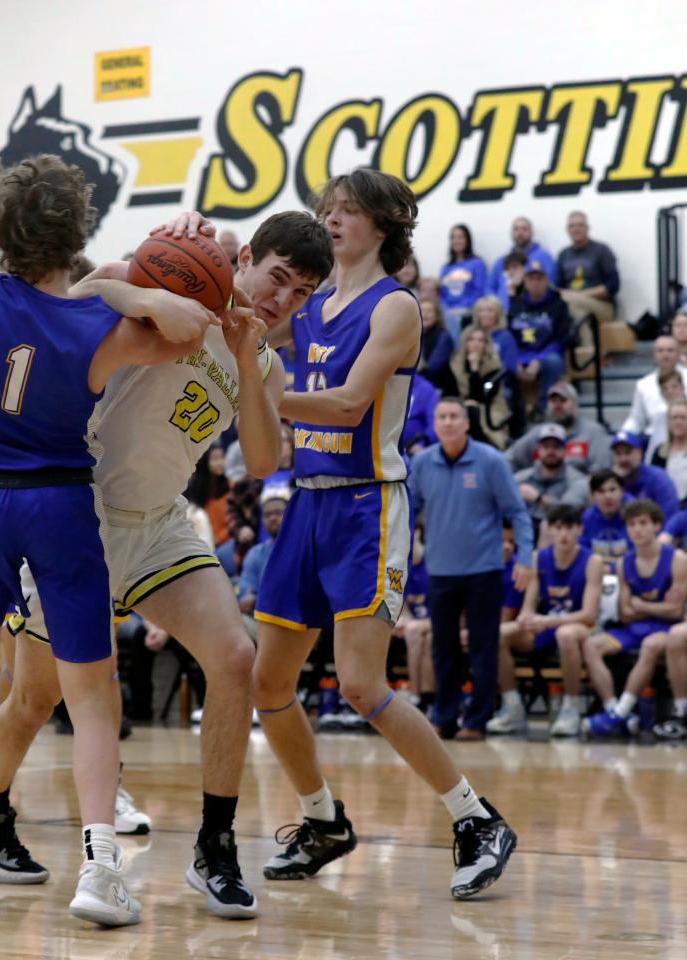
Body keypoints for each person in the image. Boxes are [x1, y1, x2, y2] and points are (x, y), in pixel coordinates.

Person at [0, 208, 331, 923]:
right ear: (247, 257)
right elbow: (77, 296)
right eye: (278, 279)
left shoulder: (263, 358)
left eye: (299, 295)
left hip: (160, 526)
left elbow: (264, 461)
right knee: (35, 697)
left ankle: (215, 848)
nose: (281, 300)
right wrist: (144, 275)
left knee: (234, 657)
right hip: (77, 515)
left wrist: (247, 355)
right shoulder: (173, 291)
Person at [0, 153, 221, 927]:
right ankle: (99, 869)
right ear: (79, 230)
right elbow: (186, 332)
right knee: (90, 693)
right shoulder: (102, 327)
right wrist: (130, 284)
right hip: (59, 503)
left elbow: (20, 285)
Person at [253, 170, 517, 901]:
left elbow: (342, 406)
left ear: (382, 224)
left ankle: (475, 818)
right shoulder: (307, 302)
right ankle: (322, 821)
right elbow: (241, 323)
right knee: (268, 682)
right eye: (327, 210)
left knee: (362, 681)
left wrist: (260, 392)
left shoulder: (395, 305)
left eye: (347, 211)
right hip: (304, 503)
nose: (332, 221)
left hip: (367, 507)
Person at [410, 398, 534, 743]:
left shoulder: (491, 461)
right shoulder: (422, 463)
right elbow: (407, 511)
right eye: (441, 417)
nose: (447, 422)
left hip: (483, 570)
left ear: (467, 423)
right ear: (434, 424)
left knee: (483, 646)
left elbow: (518, 513)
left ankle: (477, 720)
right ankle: (445, 717)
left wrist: (525, 556)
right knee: (443, 648)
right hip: (440, 571)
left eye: (454, 417)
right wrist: (400, 549)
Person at [486, 504, 602, 737]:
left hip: (579, 628)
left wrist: (547, 621)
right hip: (545, 625)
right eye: (558, 528)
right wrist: (527, 618)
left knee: (566, 635)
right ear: (549, 530)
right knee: (496, 634)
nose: (564, 534)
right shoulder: (539, 558)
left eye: (569, 528)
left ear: (579, 530)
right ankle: (513, 708)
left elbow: (589, 616)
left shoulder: (593, 561)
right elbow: (528, 607)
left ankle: (570, 708)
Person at [581, 499, 687, 737]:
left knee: (651, 645)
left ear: (657, 526)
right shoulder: (623, 563)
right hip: (635, 628)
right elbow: (626, 612)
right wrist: (655, 606)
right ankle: (613, 709)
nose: (637, 529)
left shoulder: (677, 559)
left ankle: (619, 712)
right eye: (631, 524)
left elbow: (676, 612)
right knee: (591, 645)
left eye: (643, 523)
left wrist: (641, 604)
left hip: (666, 629)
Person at [505, 381, 612, 475]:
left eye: (563, 400)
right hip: (538, 491)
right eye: (553, 401)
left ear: (576, 404)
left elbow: (601, 474)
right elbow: (508, 459)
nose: (557, 405)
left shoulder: (593, 432)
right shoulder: (537, 432)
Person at [508, 261, 572, 414]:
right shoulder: (516, 304)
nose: (535, 283)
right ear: (525, 282)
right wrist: (516, 360)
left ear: (546, 281)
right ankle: (514, 414)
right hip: (520, 354)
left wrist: (539, 360)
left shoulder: (558, 305)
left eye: (539, 279)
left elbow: (561, 338)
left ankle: (545, 409)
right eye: (531, 279)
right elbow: (509, 336)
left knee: (553, 362)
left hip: (547, 353)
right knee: (503, 362)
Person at [392, 521, 434, 714]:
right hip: (417, 626)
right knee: (412, 632)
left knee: (416, 631)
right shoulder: (400, 565)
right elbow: (404, 609)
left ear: (417, 532)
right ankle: (421, 698)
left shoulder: (434, 560)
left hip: (443, 620)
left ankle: (417, 696)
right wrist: (404, 619)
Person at [238, 485, 291, 640]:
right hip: (266, 625)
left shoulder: (308, 548)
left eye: (277, 512)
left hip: (307, 624)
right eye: (267, 514)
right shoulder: (256, 554)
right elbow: (246, 599)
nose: (272, 518)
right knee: (232, 623)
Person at [514, 424, 589, 527]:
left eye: (556, 446)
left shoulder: (577, 479)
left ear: (565, 450)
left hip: (559, 531)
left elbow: (568, 512)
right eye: (546, 446)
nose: (550, 451)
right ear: (538, 450)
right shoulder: (522, 477)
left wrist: (539, 498)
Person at [449, 325, 509, 448]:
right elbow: (450, 392)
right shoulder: (454, 364)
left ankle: (484, 448)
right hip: (460, 404)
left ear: (486, 344)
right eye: (471, 339)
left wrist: (474, 368)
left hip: (490, 407)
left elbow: (482, 396)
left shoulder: (494, 366)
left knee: (472, 411)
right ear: (465, 342)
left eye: (480, 340)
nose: (476, 343)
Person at [555, 211, 620, 325]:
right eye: (572, 226)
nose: (576, 229)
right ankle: (587, 343)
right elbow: (558, 286)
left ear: (587, 228)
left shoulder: (601, 250)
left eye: (580, 225)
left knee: (573, 303)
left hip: (601, 305)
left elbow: (613, 285)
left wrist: (579, 295)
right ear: (567, 230)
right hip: (573, 304)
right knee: (576, 312)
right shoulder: (563, 254)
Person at [622, 335, 687, 439]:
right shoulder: (643, 384)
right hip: (653, 438)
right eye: (660, 351)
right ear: (654, 354)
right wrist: (623, 435)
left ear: (679, 353)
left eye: (670, 350)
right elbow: (636, 419)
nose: (665, 355)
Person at [487, 217, 556, 311]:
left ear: (532, 232)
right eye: (516, 229)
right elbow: (490, 287)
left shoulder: (544, 257)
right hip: (502, 313)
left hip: (532, 311)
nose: (520, 233)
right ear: (511, 233)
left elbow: (551, 285)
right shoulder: (501, 261)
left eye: (524, 229)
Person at [611, 430, 679, 521]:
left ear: (640, 453)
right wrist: (617, 484)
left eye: (628, 452)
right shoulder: (610, 482)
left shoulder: (658, 478)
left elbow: (670, 517)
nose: (623, 459)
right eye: (618, 454)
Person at [438, 224, 486, 344]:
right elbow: (440, 294)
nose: (456, 241)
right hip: (448, 312)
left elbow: (479, 291)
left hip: (468, 311)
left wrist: (461, 307)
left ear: (468, 240)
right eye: (453, 237)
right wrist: (447, 309)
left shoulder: (476, 264)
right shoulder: (446, 267)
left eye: (460, 237)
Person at [581, 470, 631, 568]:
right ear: (593, 496)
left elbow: (638, 555)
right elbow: (582, 554)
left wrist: (610, 569)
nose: (607, 496)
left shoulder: (635, 516)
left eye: (612, 490)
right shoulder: (586, 519)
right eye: (601, 491)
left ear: (622, 491)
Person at [645, 370, 686, 461]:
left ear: (682, 388)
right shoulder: (659, 417)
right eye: (665, 388)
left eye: (674, 387)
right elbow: (653, 448)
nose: (670, 391)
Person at [651, 399, 687, 502]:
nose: (678, 422)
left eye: (683, 418)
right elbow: (654, 483)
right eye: (674, 418)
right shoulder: (660, 452)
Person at [471, 295, 517, 375]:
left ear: (498, 314)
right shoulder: (469, 335)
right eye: (481, 311)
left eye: (490, 311)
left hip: (498, 383)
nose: (485, 314)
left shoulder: (505, 337)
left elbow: (509, 367)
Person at [417, 298, 456, 394]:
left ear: (437, 316)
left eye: (429, 311)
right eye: (421, 311)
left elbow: (433, 368)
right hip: (417, 383)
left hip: (437, 387)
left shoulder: (443, 336)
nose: (425, 315)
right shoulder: (413, 335)